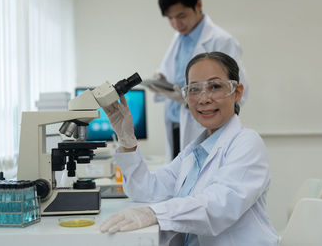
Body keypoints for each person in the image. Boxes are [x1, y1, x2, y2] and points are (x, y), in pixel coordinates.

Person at [99, 52, 278, 246]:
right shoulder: (194, 151)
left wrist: (154, 213)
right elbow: (146, 190)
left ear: (237, 92)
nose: (203, 99)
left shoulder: (247, 143)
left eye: (215, 86)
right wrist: (127, 140)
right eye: (194, 89)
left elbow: (218, 207)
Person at [149, 0, 248, 161]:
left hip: (204, 128)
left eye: (181, 16)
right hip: (177, 126)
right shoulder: (178, 39)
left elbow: (239, 90)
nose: (176, 24)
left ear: (198, 5)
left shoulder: (221, 41)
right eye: (170, 18)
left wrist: (189, 98)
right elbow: (172, 74)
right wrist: (161, 79)